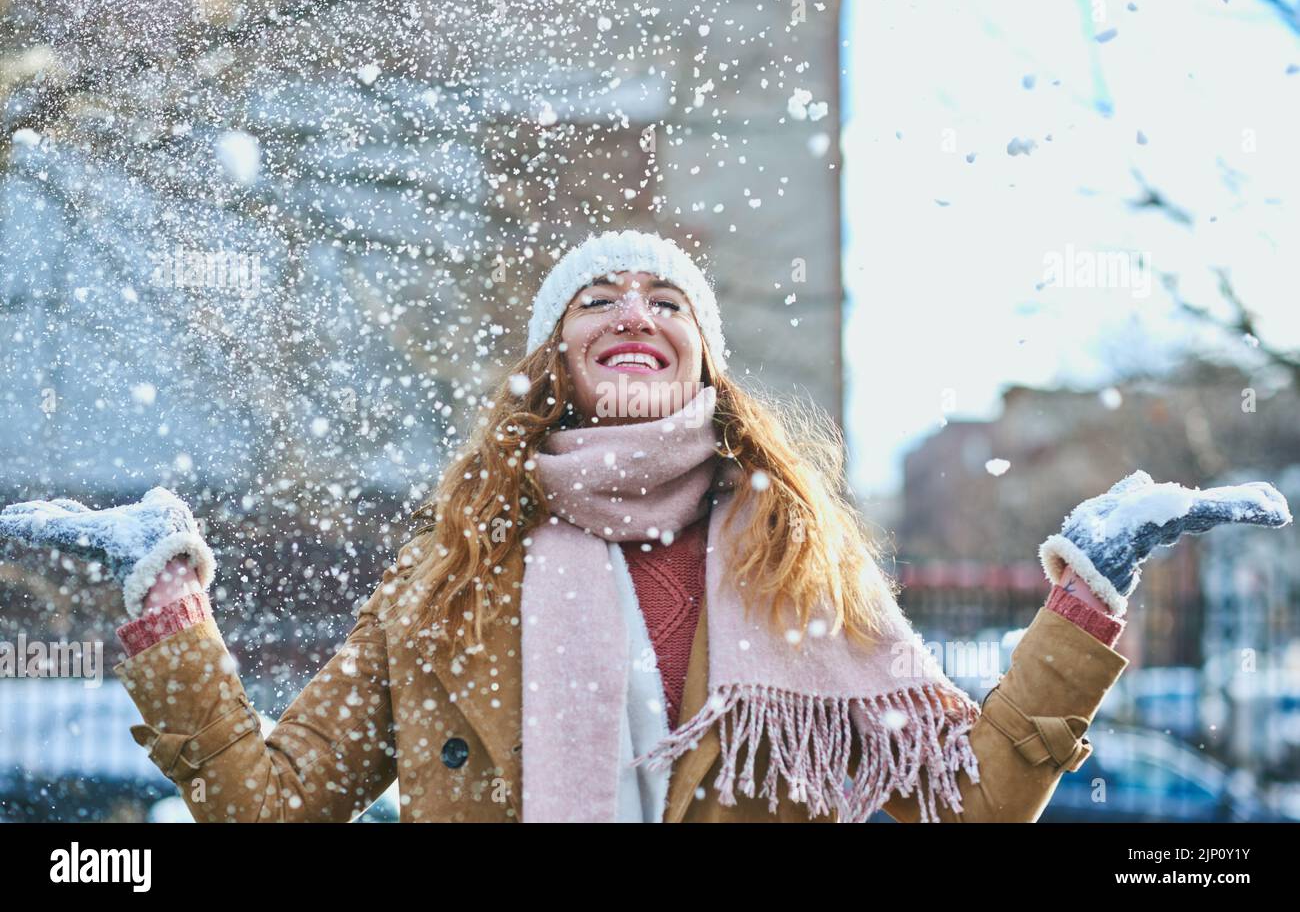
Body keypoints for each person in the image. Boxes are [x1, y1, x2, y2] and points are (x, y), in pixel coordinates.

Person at [1, 229, 1291, 823]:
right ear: (552, 364)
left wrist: (1081, 605)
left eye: (664, 296)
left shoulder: (808, 574)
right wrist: (167, 612)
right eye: (594, 300)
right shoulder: (443, 591)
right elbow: (264, 814)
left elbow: (972, 803)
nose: (632, 308)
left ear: (706, 362)